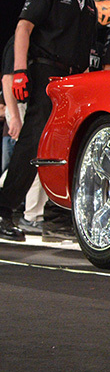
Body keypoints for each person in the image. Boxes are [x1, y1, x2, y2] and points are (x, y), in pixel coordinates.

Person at [0, 0, 102, 242]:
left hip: (71, 82)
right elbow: (23, 28)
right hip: (44, 72)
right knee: (32, 144)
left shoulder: (90, 4)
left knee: (64, 148)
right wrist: (19, 70)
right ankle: (4, 210)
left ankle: (56, 217)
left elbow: (85, 53)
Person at [1, 36, 45, 235]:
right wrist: (15, 117)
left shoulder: (43, 40)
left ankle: (33, 215)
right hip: (20, 106)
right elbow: (7, 78)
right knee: (30, 160)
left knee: (26, 162)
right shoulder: (20, 40)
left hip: (34, 106)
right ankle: (32, 216)